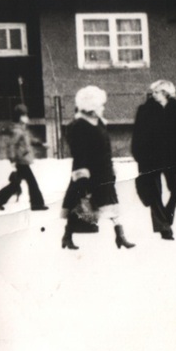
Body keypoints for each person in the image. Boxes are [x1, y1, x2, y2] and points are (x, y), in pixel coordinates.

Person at [60, 86, 135, 250]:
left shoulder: (99, 123)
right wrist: (82, 177)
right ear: (91, 107)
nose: (103, 107)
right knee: (81, 206)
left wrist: (111, 168)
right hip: (89, 173)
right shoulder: (79, 126)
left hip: (104, 172)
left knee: (111, 205)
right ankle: (68, 236)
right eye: (100, 104)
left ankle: (120, 237)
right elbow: (80, 153)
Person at [131, 80, 176, 241]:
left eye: (156, 92)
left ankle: (165, 218)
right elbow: (137, 135)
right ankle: (164, 228)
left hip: (171, 157)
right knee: (155, 193)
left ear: (165, 93)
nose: (153, 94)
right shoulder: (145, 110)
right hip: (151, 159)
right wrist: (139, 156)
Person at [0, 104, 48, 212]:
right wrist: (12, 159)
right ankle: (37, 204)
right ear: (19, 116)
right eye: (24, 114)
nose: (26, 117)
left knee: (16, 184)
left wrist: (41, 143)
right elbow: (11, 145)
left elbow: (30, 139)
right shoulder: (17, 130)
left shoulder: (22, 129)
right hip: (21, 160)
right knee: (32, 182)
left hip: (23, 159)